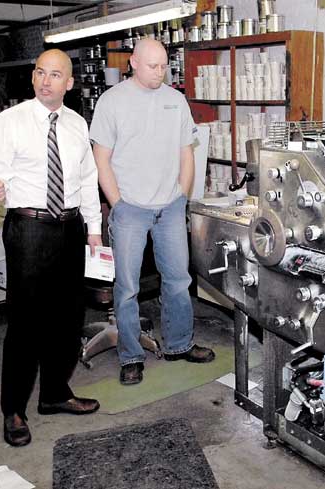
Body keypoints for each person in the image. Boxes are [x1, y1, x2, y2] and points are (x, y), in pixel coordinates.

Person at [0, 49, 102, 447]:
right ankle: (13, 409)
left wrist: (94, 230)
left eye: (56, 74)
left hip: (71, 228)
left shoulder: (77, 124)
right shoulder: (9, 122)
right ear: (33, 77)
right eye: (41, 73)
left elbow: (87, 179)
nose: (47, 81)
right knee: (25, 323)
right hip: (29, 228)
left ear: (69, 83)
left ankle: (54, 394)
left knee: (68, 318)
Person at [90, 39, 214, 386]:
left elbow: (186, 152)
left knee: (178, 280)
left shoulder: (175, 100)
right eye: (152, 66)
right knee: (127, 287)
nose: (160, 73)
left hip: (170, 207)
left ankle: (179, 344)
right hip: (129, 208)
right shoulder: (112, 101)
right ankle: (131, 355)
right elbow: (101, 158)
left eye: (164, 66)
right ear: (133, 62)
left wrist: (181, 195)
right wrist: (118, 204)